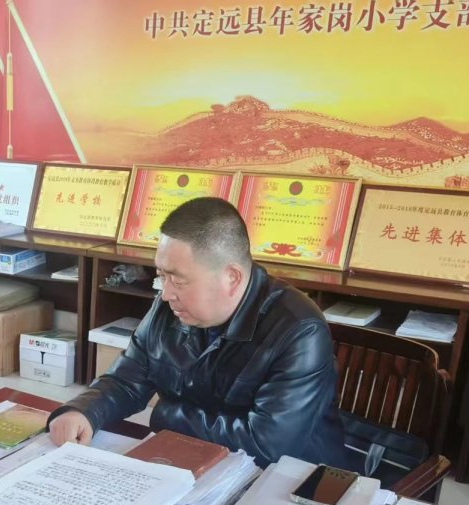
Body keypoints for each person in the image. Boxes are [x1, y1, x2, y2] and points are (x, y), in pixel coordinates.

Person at [49, 197, 346, 468]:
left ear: (232, 278)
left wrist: (167, 415)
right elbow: (127, 380)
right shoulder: (169, 306)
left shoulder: (298, 330)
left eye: (178, 281)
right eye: (161, 276)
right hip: (193, 458)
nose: (166, 294)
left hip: (286, 478)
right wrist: (83, 411)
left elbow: (266, 444)